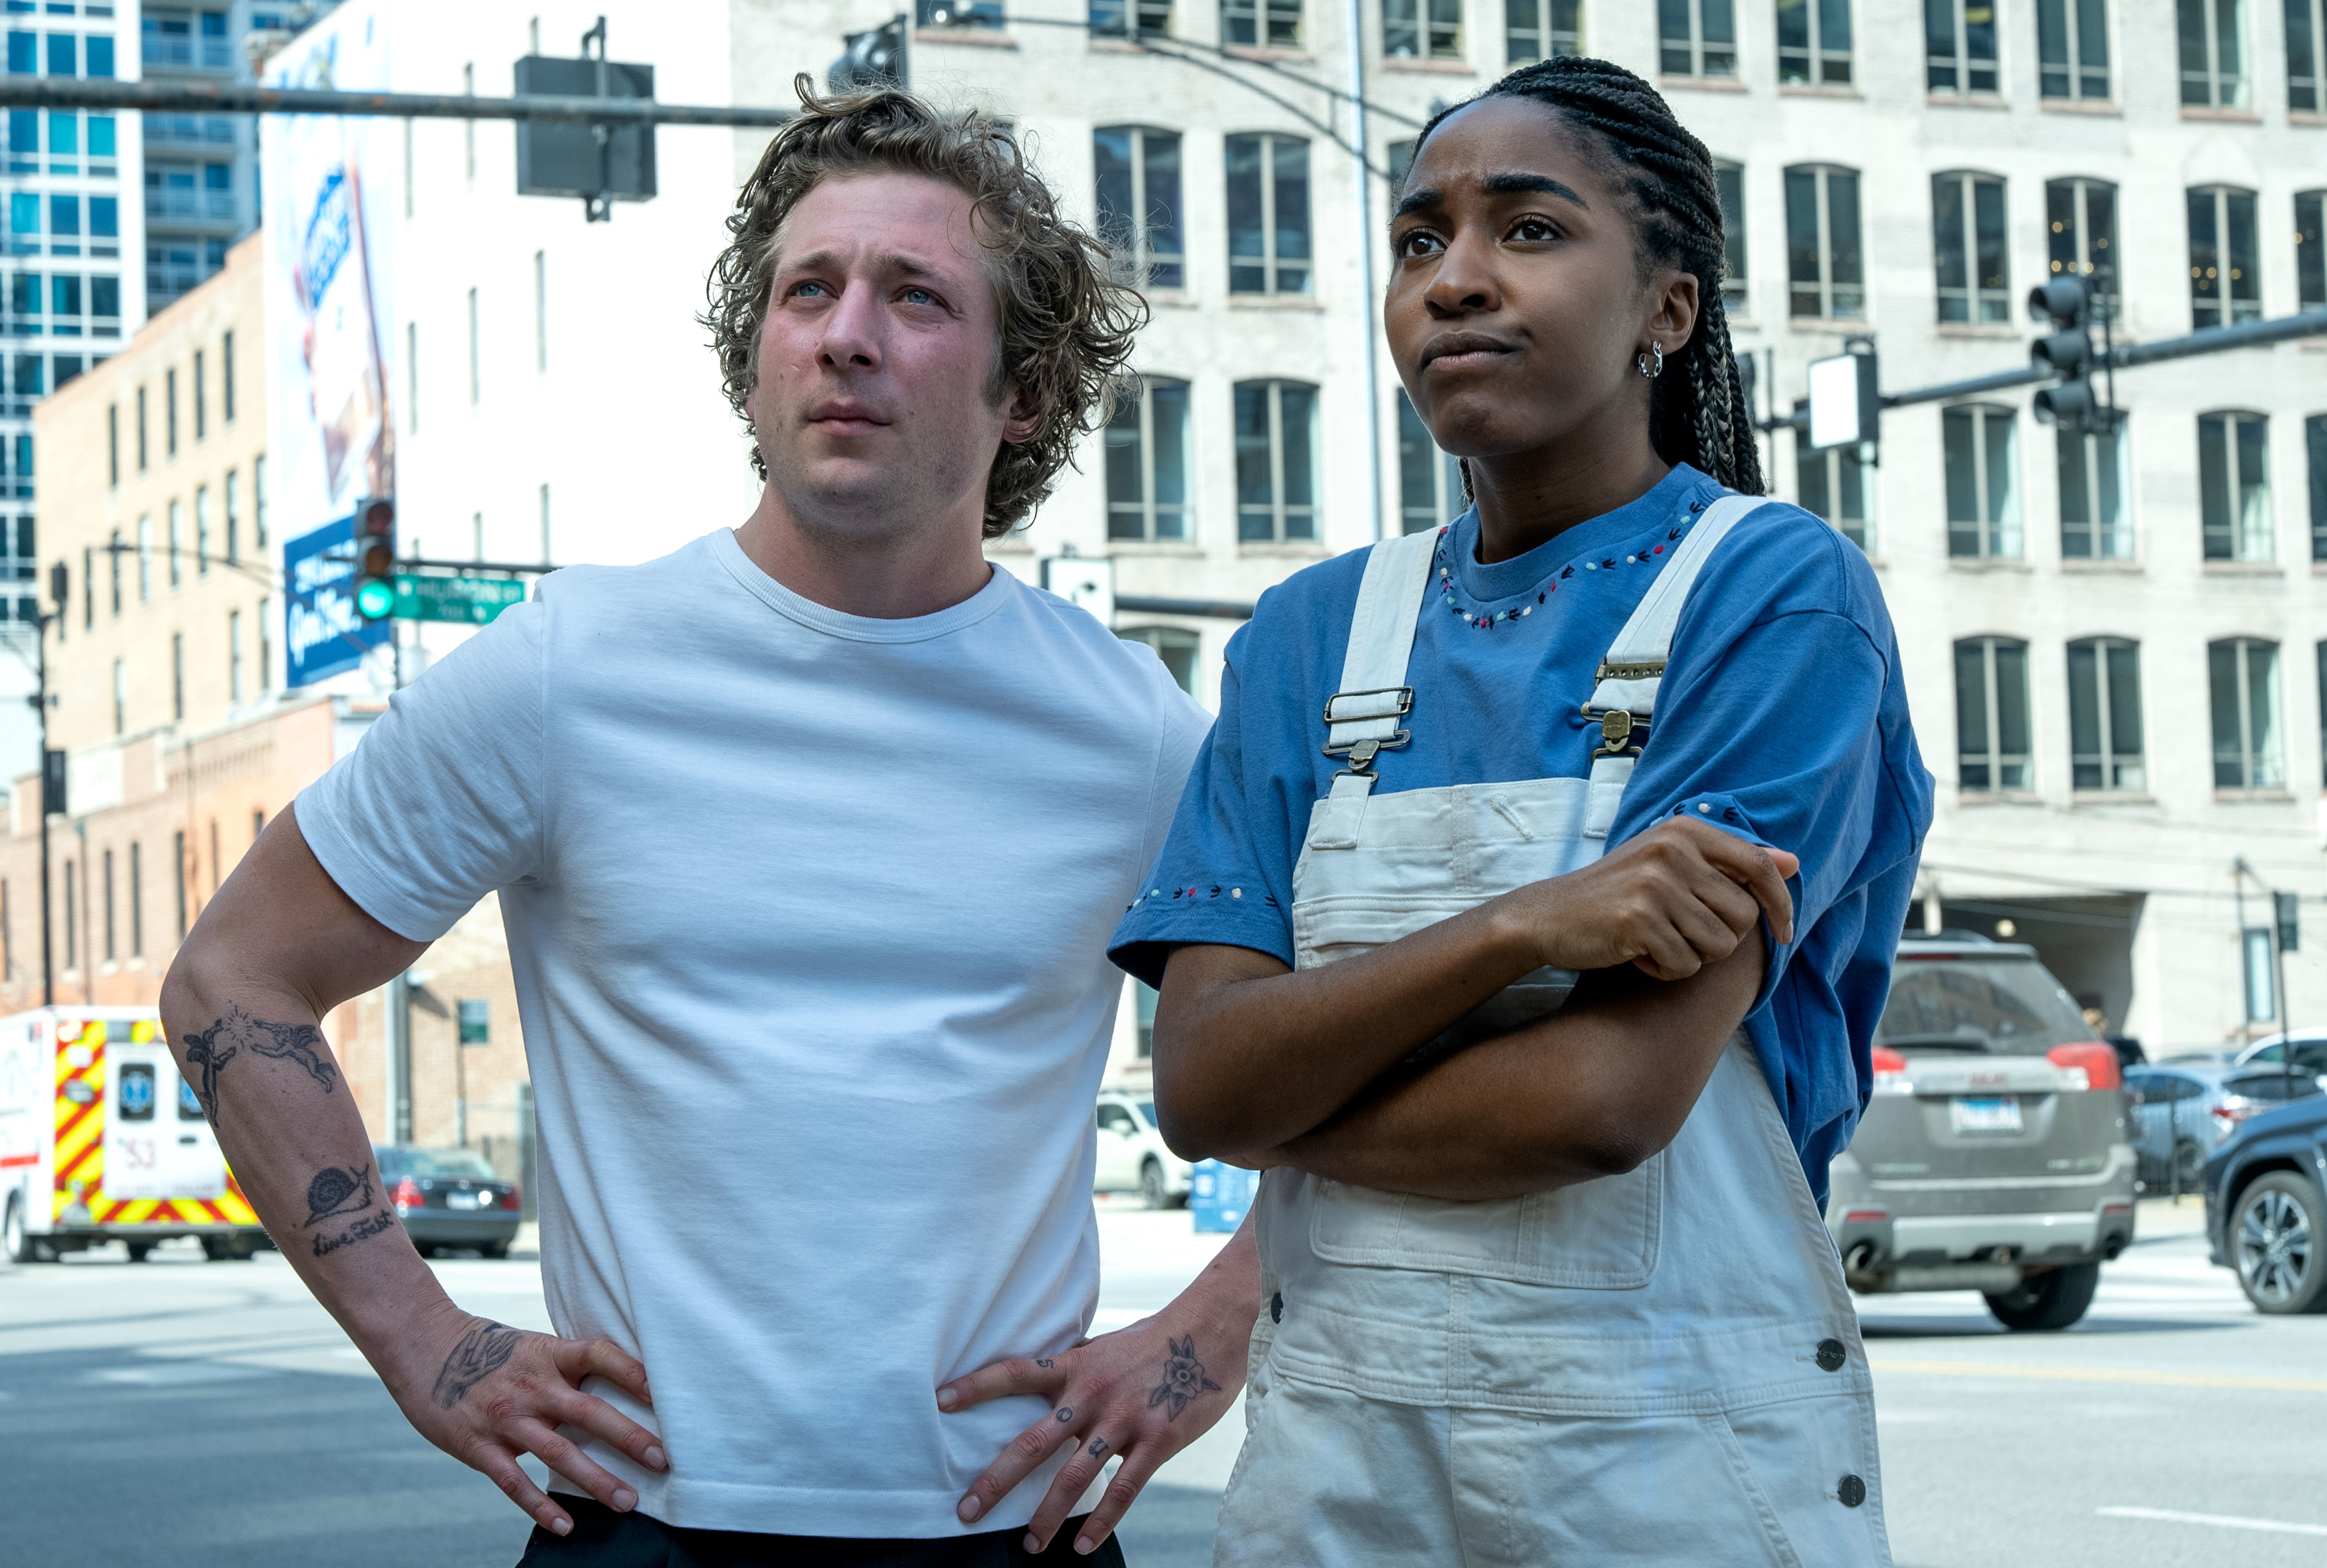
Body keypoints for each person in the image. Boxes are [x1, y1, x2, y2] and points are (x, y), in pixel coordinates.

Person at [160, 82, 1260, 1567]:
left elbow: (1341, 1052)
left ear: (1025, 395)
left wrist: (1203, 1336)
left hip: (1008, 1525)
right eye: (808, 290)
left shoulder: (1131, 729)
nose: (845, 332)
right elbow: (235, 976)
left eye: (915, 296)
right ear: (754, 366)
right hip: (640, 1517)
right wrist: (424, 1342)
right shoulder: (571, 668)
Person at [1112, 57, 1932, 1566]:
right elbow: (1199, 1093)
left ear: (1667, 311)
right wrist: (1518, 932)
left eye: (1530, 231)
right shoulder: (1303, 638)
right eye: (1419, 240)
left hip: (1672, 1480)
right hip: (1330, 1489)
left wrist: (1292, 1091)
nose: (1454, 280)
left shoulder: (1775, 599)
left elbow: (1600, 1105)